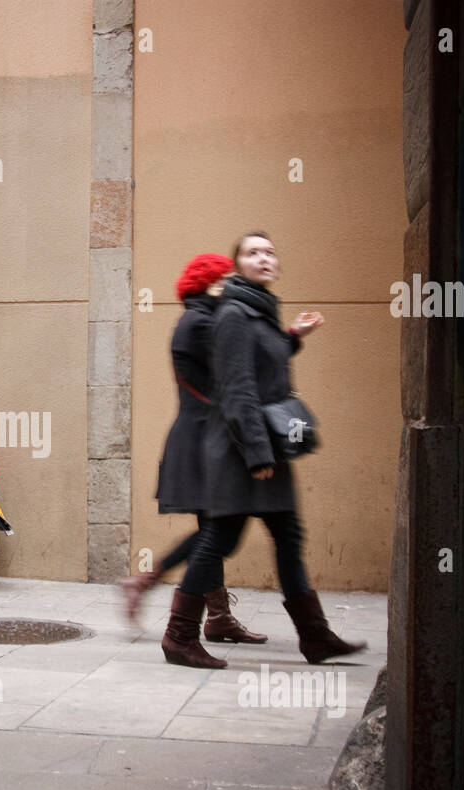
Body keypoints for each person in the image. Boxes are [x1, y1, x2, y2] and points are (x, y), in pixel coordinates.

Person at [157, 231, 366, 668]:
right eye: (253, 253)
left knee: (287, 537)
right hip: (243, 449)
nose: (264, 258)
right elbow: (237, 388)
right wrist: (256, 453)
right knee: (218, 539)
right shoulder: (234, 312)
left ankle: (315, 636)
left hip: (265, 447)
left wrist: (294, 335)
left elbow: (264, 363)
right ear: (239, 266)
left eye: (270, 251)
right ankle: (179, 638)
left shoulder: (260, 312)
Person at [122, 253, 267, 669]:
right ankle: (156, 593)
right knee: (219, 531)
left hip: (206, 437)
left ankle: (216, 616)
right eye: (227, 282)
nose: (233, 289)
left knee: (214, 529)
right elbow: (242, 368)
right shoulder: (201, 324)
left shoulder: (201, 320)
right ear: (213, 285)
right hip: (205, 441)